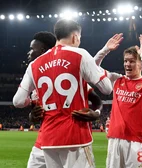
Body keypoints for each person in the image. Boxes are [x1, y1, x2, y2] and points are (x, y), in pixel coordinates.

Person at [13, 19, 112, 168]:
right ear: (75, 37)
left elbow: (18, 101)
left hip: (48, 139)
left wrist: (31, 104)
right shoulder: (80, 54)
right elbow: (107, 88)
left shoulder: (34, 65)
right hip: (75, 135)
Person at [94, 34, 142, 168]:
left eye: (132, 61)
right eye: (125, 61)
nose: (127, 64)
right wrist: (105, 49)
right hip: (115, 139)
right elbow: (93, 67)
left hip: (136, 141)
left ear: (140, 64)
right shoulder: (118, 80)